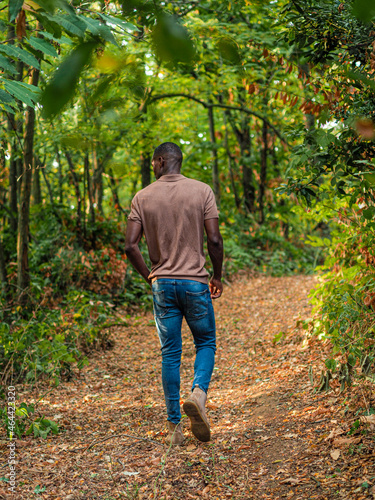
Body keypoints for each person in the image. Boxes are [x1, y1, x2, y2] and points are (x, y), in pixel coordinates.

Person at [125, 142, 223, 446]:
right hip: (195, 282)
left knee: (170, 353)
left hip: (163, 285)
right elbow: (215, 239)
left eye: (153, 163)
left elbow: (130, 245)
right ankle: (198, 394)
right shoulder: (202, 191)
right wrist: (217, 275)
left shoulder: (142, 197)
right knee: (205, 341)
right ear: (179, 161)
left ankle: (174, 429)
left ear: (159, 161)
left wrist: (150, 276)